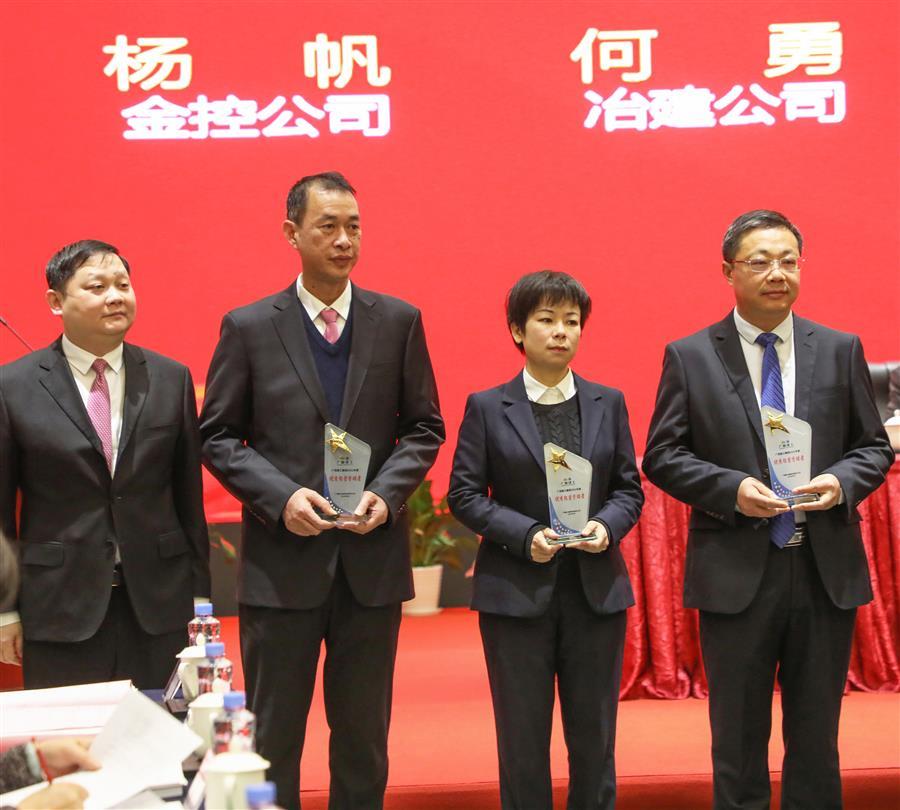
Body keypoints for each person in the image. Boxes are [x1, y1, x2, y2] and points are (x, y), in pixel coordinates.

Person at [200, 171, 444, 810]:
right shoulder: (250, 326)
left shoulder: (398, 321)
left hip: (370, 563)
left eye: (353, 227)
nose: (343, 240)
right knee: (274, 735)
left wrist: (386, 495)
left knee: (363, 738)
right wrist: (282, 498)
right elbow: (218, 436)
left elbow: (423, 428)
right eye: (328, 226)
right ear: (292, 233)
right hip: (283, 566)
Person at [642, 210, 894, 810]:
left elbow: (874, 447)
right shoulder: (691, 355)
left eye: (788, 261)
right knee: (737, 738)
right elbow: (662, 455)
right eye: (759, 262)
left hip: (822, 568)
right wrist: (732, 490)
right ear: (728, 271)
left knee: (817, 738)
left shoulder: (839, 349)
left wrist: (839, 481)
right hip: (736, 571)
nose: (777, 273)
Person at [448, 271, 644, 810]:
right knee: (521, 740)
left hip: (595, 592)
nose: (561, 331)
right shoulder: (488, 406)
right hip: (515, 594)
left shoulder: (608, 401)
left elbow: (629, 489)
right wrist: (527, 534)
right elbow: (464, 494)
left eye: (572, 321)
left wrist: (606, 526)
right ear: (518, 329)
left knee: (595, 738)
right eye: (547, 319)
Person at [0, 240, 210, 689]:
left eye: (123, 285)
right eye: (97, 287)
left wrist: (201, 601)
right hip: (58, 608)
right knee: (71, 732)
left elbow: (189, 502)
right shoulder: (12, 386)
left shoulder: (170, 378)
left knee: (161, 728)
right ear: (56, 301)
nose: (115, 296)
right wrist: (4, 611)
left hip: (159, 604)